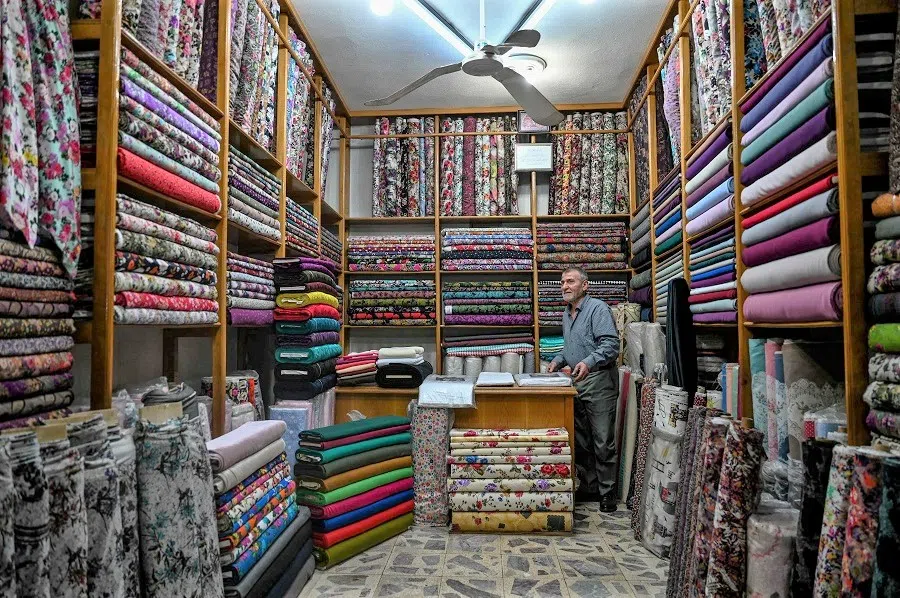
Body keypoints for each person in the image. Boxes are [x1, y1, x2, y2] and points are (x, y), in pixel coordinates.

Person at [548, 266, 620, 511]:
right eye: (562, 282)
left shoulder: (597, 309)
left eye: (570, 281)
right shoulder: (567, 314)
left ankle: (608, 492)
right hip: (577, 383)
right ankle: (590, 488)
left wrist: (588, 362)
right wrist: (558, 359)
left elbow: (611, 345)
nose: (565, 286)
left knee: (602, 439)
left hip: (599, 381)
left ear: (585, 285)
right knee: (582, 439)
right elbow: (572, 348)